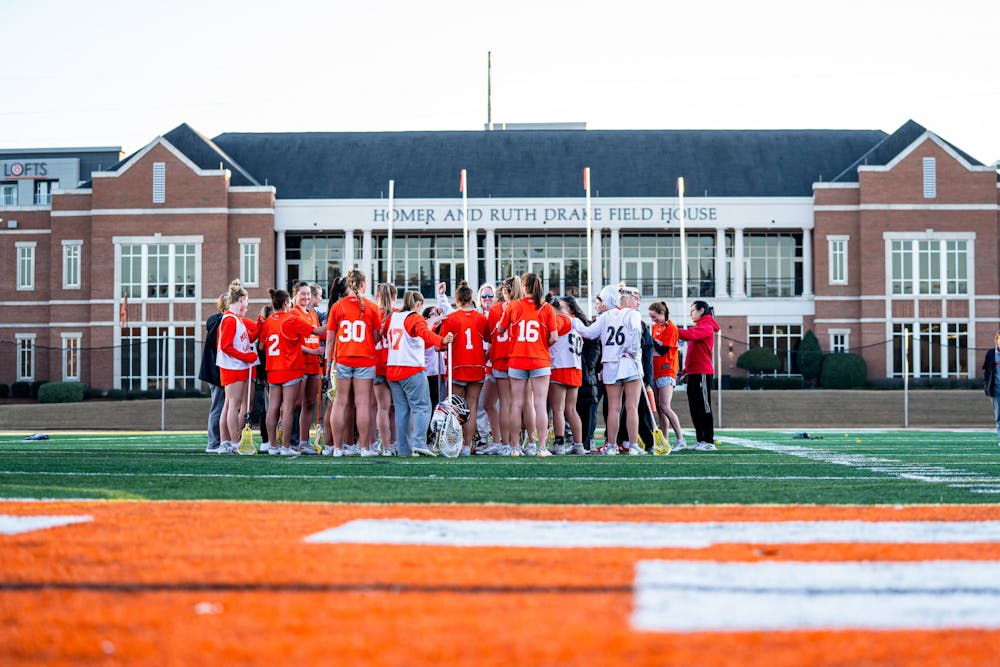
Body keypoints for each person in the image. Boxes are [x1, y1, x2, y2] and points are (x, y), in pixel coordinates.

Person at [384, 290, 454, 457]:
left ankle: (403, 449)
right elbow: (425, 334)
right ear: (418, 304)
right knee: (422, 407)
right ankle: (419, 443)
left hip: (393, 368)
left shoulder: (394, 317)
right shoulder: (415, 317)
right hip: (411, 368)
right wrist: (442, 340)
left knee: (402, 411)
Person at [580, 283, 645, 455]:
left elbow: (588, 333)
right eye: (636, 299)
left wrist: (572, 322)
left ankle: (610, 446)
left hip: (610, 364)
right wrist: (631, 350)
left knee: (614, 408)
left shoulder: (605, 315)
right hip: (629, 364)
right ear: (627, 298)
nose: (638, 303)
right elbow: (636, 334)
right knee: (632, 406)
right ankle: (632, 446)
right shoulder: (633, 314)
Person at [498, 272, 559, 457]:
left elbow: (501, 329)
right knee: (539, 404)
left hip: (517, 359)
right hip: (539, 358)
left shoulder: (513, 305)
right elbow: (554, 337)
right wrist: (541, 344)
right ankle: (541, 447)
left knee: (516, 404)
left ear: (523, 287)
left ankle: (515, 447)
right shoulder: (546, 308)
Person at [259, 289, 324, 456]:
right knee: (288, 408)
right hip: (290, 368)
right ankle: (286, 446)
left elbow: (261, 346)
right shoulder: (290, 319)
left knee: (273, 408)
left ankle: (273, 446)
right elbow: (317, 332)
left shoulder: (268, 321)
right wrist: (334, 322)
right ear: (287, 303)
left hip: (273, 369)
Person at [325, 268, 382, 457]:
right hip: (365, 359)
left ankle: (338, 448)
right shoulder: (372, 307)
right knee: (363, 403)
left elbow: (331, 339)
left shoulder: (338, 306)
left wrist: (329, 362)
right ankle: (365, 448)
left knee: (340, 402)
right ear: (363, 284)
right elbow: (376, 337)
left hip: (342, 358)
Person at [438, 281, 490, 456]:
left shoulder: (451, 318)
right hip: (476, 365)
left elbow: (442, 344)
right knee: (472, 407)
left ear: (457, 299)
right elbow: (488, 341)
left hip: (458, 366)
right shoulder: (481, 317)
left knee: (456, 408)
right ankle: (467, 445)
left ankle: (456, 443)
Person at [215, 279, 260, 454]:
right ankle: (233, 442)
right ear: (241, 299)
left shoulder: (235, 319)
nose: (247, 304)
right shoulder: (229, 320)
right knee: (233, 405)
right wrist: (246, 356)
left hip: (237, 366)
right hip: (232, 367)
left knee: (230, 405)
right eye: (246, 300)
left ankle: (226, 442)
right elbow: (226, 346)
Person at [676, 300, 721, 451]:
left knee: (704, 407)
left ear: (701, 310)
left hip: (702, 373)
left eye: (693, 311)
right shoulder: (700, 326)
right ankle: (701, 440)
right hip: (694, 373)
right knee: (694, 408)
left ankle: (708, 441)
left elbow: (689, 335)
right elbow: (691, 353)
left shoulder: (706, 326)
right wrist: (686, 371)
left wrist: (671, 329)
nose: (691, 314)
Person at [550, 296, 587, 455]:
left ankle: (559, 443)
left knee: (557, 408)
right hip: (575, 368)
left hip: (560, 366)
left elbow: (551, 334)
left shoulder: (561, 319)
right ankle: (578, 444)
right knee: (571, 409)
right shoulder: (577, 322)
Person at [648, 301, 686, 450]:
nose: (653, 320)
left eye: (654, 316)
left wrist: (649, 339)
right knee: (659, 407)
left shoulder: (671, 327)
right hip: (655, 370)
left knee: (665, 406)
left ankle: (680, 439)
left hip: (666, 370)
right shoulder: (655, 327)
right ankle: (664, 439)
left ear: (662, 314)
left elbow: (663, 350)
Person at [291, 281, 324, 454]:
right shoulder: (293, 313)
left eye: (308, 294)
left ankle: (304, 441)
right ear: (295, 294)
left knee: (309, 403)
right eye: (302, 294)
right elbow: (293, 344)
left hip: (314, 365)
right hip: (300, 364)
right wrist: (312, 351)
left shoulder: (312, 313)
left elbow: (318, 334)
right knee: (295, 403)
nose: (305, 297)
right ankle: (290, 439)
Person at [199, 292, 228, 453]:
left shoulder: (215, 321)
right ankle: (214, 442)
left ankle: (220, 441)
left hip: (215, 370)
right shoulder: (220, 322)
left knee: (221, 406)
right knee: (218, 406)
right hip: (218, 371)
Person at [373, 282, 398, 454]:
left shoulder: (371, 313)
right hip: (395, 364)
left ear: (377, 297)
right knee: (397, 408)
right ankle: (396, 442)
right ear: (395, 297)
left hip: (376, 364)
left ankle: (386, 445)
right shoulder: (398, 315)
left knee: (382, 407)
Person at [475, 283, 501, 450]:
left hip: (495, 362)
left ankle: (500, 439)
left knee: (495, 405)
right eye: (484, 296)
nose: (487, 299)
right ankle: (483, 437)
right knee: (481, 404)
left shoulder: (499, 313)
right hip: (480, 364)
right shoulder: (477, 315)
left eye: (490, 296)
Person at [984, 330, 1000, 446]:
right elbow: (986, 371)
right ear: (997, 340)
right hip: (996, 390)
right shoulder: (991, 354)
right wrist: (987, 386)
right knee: (999, 417)